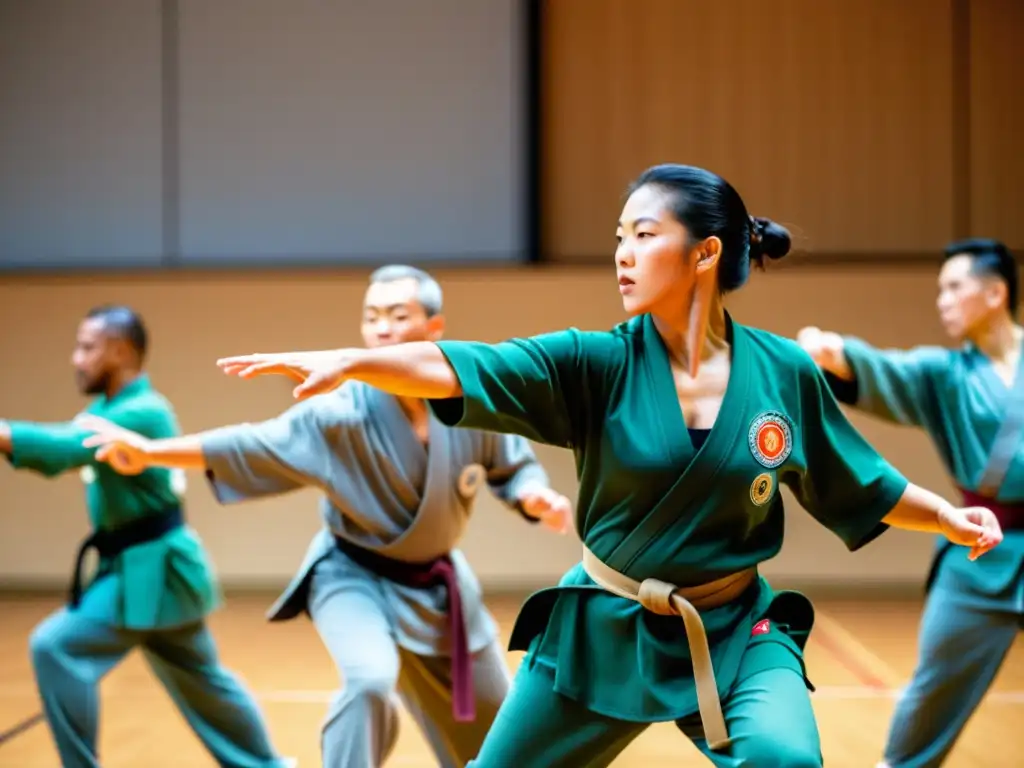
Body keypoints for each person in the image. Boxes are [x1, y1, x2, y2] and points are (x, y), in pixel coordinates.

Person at [205, 165, 1002, 767]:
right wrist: (352, 361)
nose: (621, 254)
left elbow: (861, 480)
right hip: (603, 626)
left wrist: (949, 517)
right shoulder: (593, 364)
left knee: (786, 759)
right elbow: (461, 365)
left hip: (733, 630)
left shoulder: (782, 372)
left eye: (643, 235)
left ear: (706, 252)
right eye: (618, 236)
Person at [79, 266, 573, 768]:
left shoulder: (466, 402)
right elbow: (253, 442)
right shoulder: (342, 412)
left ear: (434, 327)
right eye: (372, 316)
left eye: (397, 315)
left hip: (441, 586)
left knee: (498, 718)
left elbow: (510, 464)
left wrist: (533, 495)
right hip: (354, 576)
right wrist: (151, 452)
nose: (381, 328)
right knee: (368, 683)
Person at [0, 305, 292, 768]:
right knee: (205, 682)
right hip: (143, 572)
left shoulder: (143, 412)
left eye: (87, 348)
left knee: (55, 647)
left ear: (119, 352)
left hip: (155, 571)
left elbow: (61, 450)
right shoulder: (108, 410)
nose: (76, 359)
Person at [796, 237, 1024, 768]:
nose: (941, 299)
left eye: (953, 287)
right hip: (979, 551)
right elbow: (873, 367)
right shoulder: (941, 374)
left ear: (995, 293)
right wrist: (827, 349)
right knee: (933, 689)